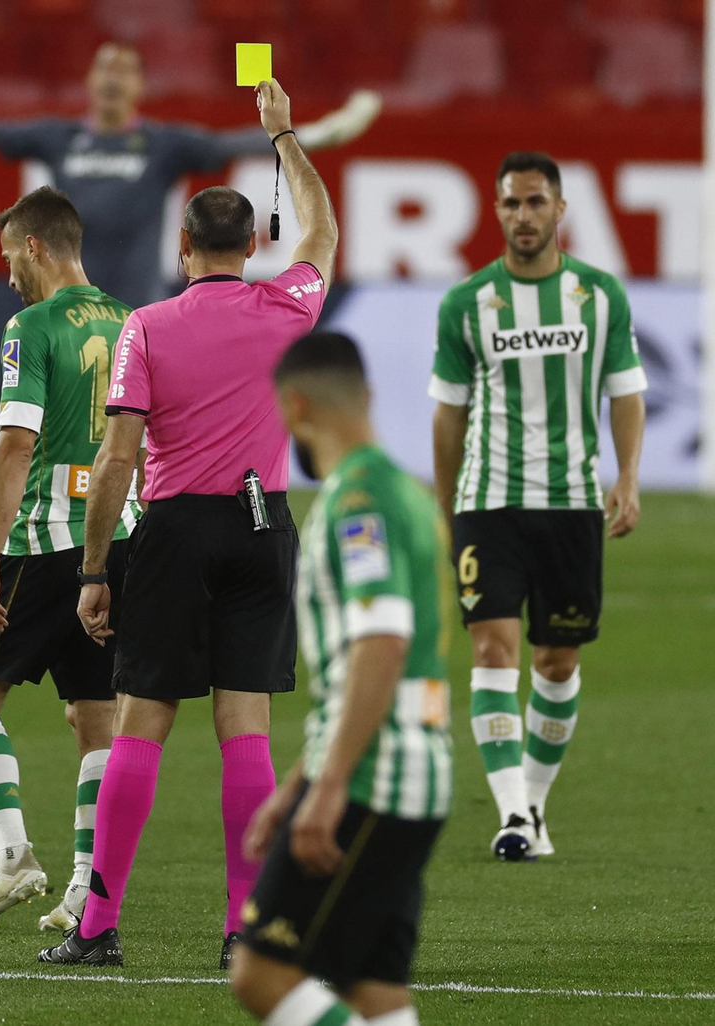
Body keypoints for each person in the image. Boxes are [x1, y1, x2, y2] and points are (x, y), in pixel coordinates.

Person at [40, 77, 335, 970]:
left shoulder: (146, 327)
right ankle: (242, 929)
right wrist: (284, 138)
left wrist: (95, 569)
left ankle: (97, 928)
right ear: (250, 245)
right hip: (261, 528)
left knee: (142, 724)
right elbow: (323, 231)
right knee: (245, 729)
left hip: (170, 532)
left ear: (181, 245)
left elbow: (119, 457)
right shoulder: (288, 309)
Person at [230, 330, 452, 1026]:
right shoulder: (407, 495)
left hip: (372, 778)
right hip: (415, 766)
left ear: (293, 407)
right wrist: (294, 785)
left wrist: (325, 792)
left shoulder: (356, 505)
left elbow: (380, 646)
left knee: (261, 973)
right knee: (372, 988)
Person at [430, 152, 647, 862]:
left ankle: (535, 804)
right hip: (489, 503)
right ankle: (514, 815)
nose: (523, 216)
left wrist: (629, 477)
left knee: (556, 661)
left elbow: (625, 391)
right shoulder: (466, 303)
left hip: (573, 502)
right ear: (496, 212)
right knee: (493, 650)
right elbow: (448, 417)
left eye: (535, 202)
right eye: (511, 204)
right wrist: (446, 508)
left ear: (560, 210)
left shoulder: (601, 295)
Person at [0, 186, 143, 933]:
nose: (6, 276)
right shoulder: (131, 321)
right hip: (120, 538)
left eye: (6, 257)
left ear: (34, 246)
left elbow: (17, 441)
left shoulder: (30, 325)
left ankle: (11, 856)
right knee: (95, 715)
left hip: (47, 542)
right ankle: (86, 888)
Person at [0, 41, 379, 305]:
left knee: (135, 439)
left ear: (139, 87)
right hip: (70, 302)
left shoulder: (165, 143)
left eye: (124, 70)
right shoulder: (58, 137)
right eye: (103, 68)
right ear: (90, 83)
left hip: (140, 306)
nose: (112, 78)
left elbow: (242, 141)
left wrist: (323, 131)